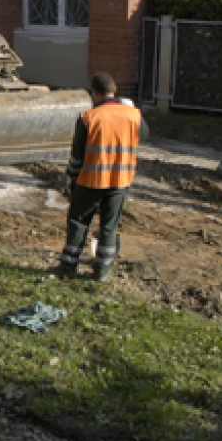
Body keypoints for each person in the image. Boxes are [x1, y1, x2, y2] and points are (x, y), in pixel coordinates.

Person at [54, 72, 145, 283]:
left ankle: (69, 265)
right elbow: (144, 134)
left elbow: (77, 156)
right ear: (115, 90)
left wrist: (71, 177)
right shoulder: (133, 115)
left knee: (78, 221)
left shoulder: (88, 118)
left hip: (91, 180)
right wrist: (130, 108)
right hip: (120, 180)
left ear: (94, 93)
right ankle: (102, 270)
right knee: (109, 225)